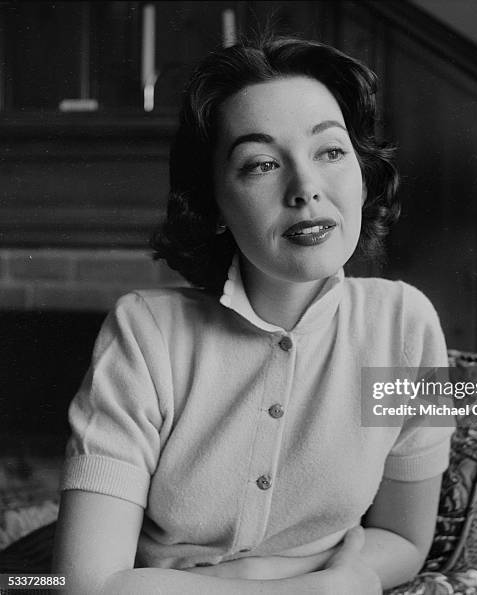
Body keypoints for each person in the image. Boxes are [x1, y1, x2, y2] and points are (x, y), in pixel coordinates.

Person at [52, 35, 455, 595]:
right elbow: (81, 584)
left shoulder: (408, 326)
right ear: (213, 203)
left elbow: (406, 540)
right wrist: (317, 588)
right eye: (262, 164)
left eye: (331, 152)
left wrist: (263, 580)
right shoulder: (146, 332)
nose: (306, 189)